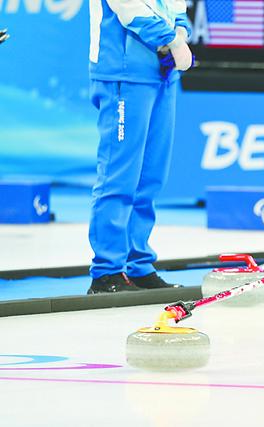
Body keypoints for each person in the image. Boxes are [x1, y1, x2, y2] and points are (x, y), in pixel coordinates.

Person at [87, 0, 193, 293]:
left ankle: (138, 266)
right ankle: (107, 270)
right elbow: (126, 5)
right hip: (123, 72)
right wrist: (169, 39)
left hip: (162, 75)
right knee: (119, 176)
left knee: (149, 178)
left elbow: (177, 9)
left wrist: (181, 33)